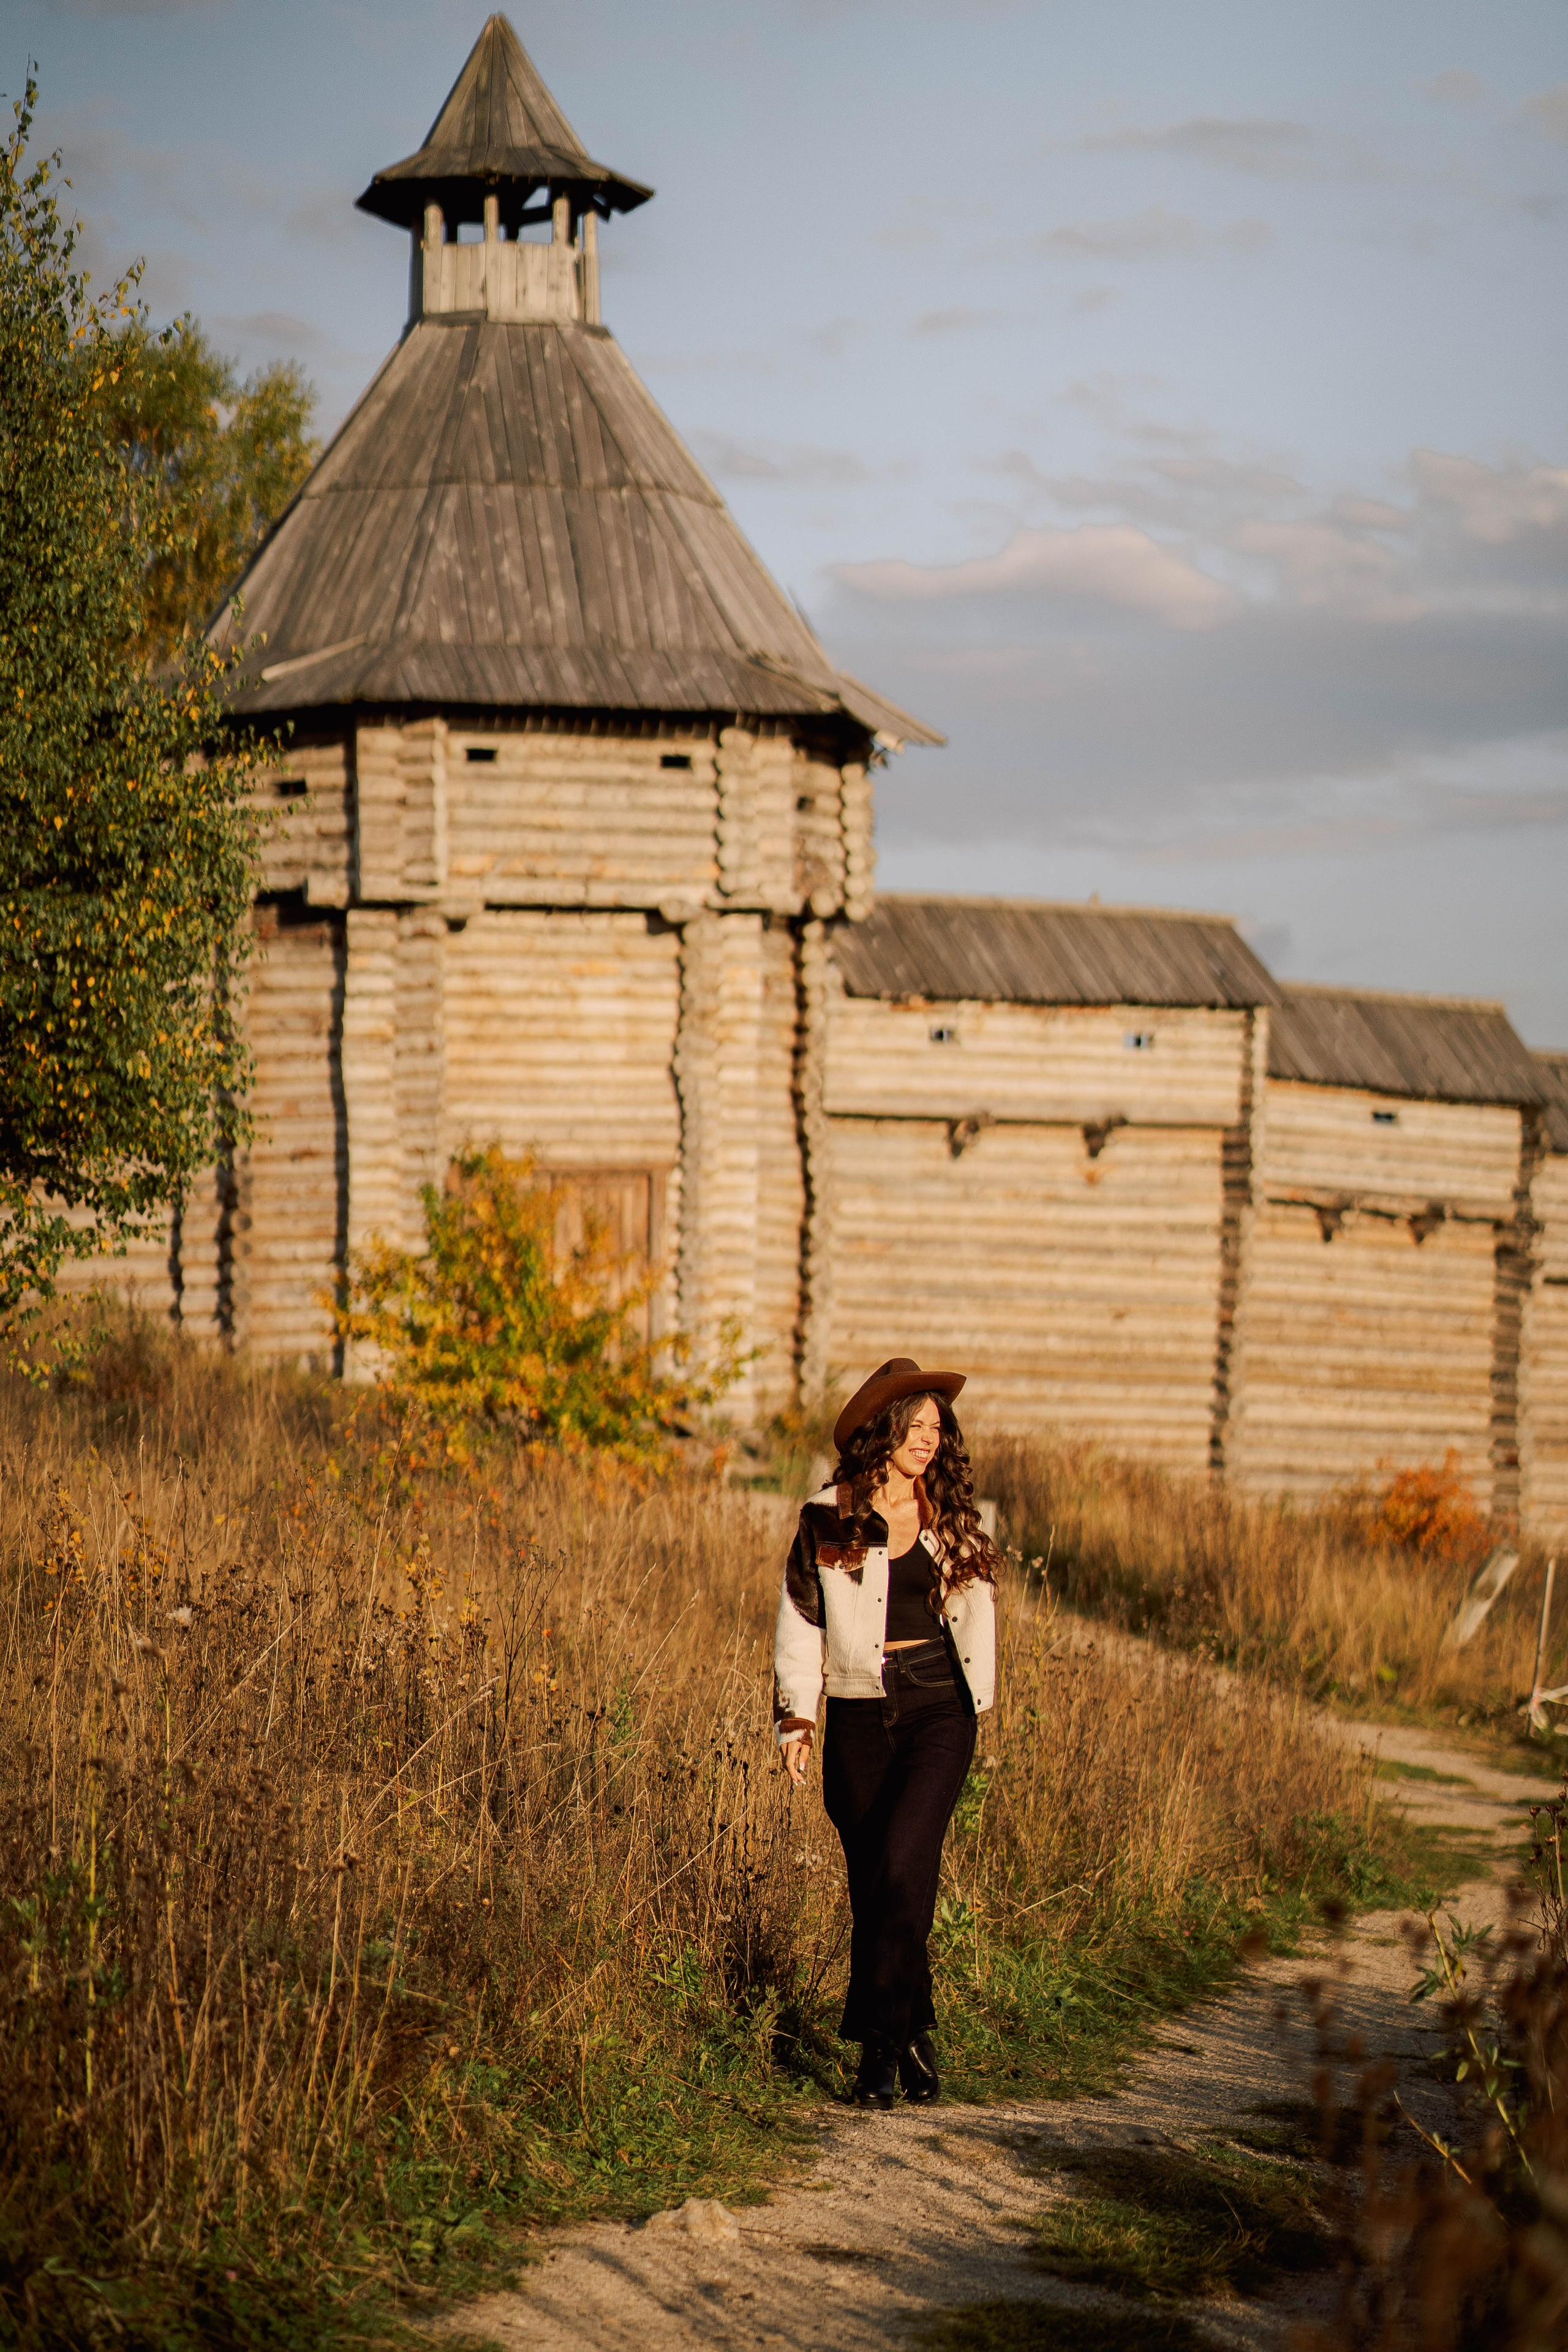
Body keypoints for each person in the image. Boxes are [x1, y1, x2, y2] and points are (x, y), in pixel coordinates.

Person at [772, 1356, 999, 2109]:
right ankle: (915, 2033)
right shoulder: (828, 1516)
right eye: (918, 1425)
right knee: (875, 1889)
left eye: (940, 1427)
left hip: (939, 1706)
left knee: (905, 1869)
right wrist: (796, 1716)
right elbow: (802, 1621)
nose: (930, 1439)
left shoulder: (955, 1514)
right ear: (885, 1428)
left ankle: (875, 2055)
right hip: (859, 1713)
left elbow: (974, 1615)